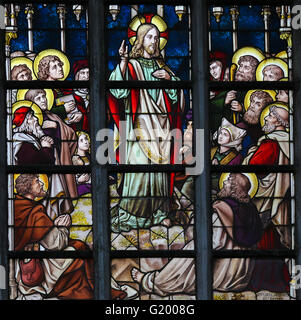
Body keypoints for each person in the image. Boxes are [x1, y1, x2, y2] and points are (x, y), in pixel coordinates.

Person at [130, 174, 265, 296]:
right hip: (240, 275)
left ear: (234, 188)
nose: (224, 183)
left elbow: (215, 242)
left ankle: (154, 282)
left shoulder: (223, 209)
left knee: (194, 250)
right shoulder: (251, 210)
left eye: (228, 181)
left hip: (223, 273)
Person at [108, 22, 184, 232]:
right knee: (139, 169)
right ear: (140, 41)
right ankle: (131, 214)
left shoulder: (163, 68)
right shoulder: (132, 65)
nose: (154, 41)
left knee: (158, 173)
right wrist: (123, 62)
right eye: (150, 37)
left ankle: (159, 213)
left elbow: (177, 98)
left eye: (157, 37)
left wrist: (170, 80)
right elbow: (118, 92)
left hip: (161, 130)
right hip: (137, 128)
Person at [13, 174, 94, 300]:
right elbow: (56, 244)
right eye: (37, 181)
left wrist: (52, 226)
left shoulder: (15, 205)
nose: (42, 184)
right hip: (36, 266)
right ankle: (78, 292)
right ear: (28, 187)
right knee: (80, 248)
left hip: (17, 265)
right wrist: (63, 227)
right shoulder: (35, 212)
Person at [243, 105, 291, 249]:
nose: (265, 118)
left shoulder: (271, 143)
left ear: (277, 121)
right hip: (284, 196)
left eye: (269, 116)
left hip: (268, 200)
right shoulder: (288, 141)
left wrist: (251, 153)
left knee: (267, 242)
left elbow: (254, 167)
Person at [24, 89, 78, 199]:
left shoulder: (53, 116)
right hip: (43, 162)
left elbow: (71, 136)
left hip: (58, 158)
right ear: (31, 103)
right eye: (38, 98)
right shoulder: (29, 121)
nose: (43, 100)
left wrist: (57, 126)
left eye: (44, 96)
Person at [236, 90, 274, 157]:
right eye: (252, 101)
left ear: (264, 109)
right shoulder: (240, 126)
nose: (252, 105)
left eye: (258, 104)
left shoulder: (266, 131)